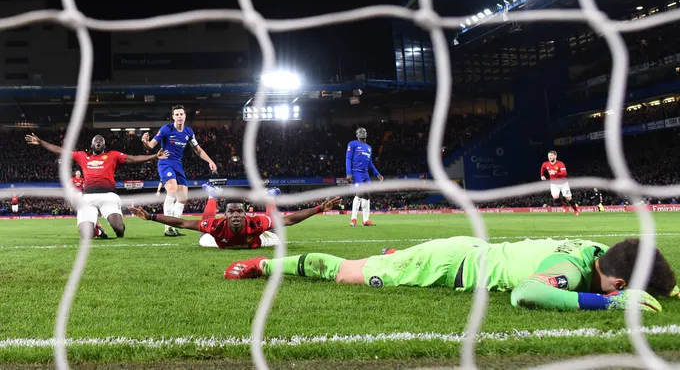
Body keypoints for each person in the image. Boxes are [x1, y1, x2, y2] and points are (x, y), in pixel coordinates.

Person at [224, 236, 679, 312]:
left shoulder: (601, 252)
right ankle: (262, 264)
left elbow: (637, 256)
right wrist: (607, 302)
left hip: (466, 252)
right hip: (443, 266)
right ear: (619, 283)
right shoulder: (572, 270)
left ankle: (394, 255)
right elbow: (524, 294)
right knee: (344, 273)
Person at [25, 133, 168, 239]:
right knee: (85, 234)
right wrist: (41, 142)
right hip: (87, 198)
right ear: (92, 145)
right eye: (96, 140)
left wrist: (155, 156)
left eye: (101, 140)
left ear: (104, 145)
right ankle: (99, 231)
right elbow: (61, 151)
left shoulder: (113, 155)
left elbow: (133, 159)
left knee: (119, 229)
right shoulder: (82, 156)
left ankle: (116, 225)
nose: (98, 141)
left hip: (109, 196)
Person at [127, 184, 341, 249]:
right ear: (226, 214)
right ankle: (213, 197)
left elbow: (290, 220)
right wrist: (152, 217)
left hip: (257, 241)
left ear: (246, 213)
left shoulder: (255, 222)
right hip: (220, 240)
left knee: (276, 227)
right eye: (232, 211)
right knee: (204, 231)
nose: (236, 214)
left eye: (240, 210)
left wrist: (319, 208)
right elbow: (182, 222)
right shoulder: (218, 226)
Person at [141, 104, 217, 237]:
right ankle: (167, 228)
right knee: (172, 190)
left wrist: (210, 161)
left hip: (178, 164)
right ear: (173, 117)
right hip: (165, 162)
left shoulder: (188, 132)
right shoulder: (166, 129)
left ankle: (174, 226)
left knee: (183, 198)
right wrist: (145, 142)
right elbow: (151, 145)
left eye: (181, 114)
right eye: (176, 114)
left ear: (185, 116)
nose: (179, 116)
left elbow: (198, 150)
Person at [346, 127, 383, 227]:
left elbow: (370, 162)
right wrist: (349, 174)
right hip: (356, 172)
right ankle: (353, 219)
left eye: (365, 131)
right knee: (360, 193)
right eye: (360, 132)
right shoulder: (352, 144)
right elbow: (348, 158)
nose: (363, 133)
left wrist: (377, 174)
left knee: (367, 195)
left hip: (365, 173)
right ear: (356, 135)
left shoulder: (369, 147)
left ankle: (366, 220)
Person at [540, 150, 579, 216]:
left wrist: (555, 172)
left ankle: (575, 210)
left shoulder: (560, 164)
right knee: (555, 197)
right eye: (548, 156)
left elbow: (564, 174)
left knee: (569, 198)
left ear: (555, 156)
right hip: (554, 184)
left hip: (563, 183)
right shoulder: (545, 164)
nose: (549, 157)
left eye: (551, 155)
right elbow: (542, 168)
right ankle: (564, 205)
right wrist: (542, 175)